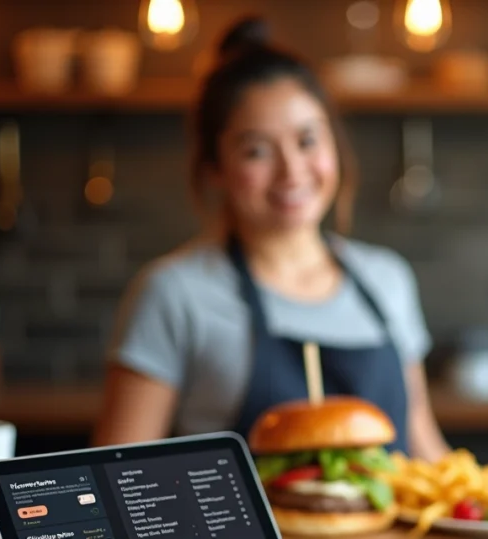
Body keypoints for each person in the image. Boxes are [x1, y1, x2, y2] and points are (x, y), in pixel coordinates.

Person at [91, 16, 450, 462]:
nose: (291, 171)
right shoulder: (173, 292)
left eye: (307, 140)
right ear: (215, 168)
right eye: (256, 150)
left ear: (334, 145)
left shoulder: (386, 279)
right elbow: (119, 475)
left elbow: (424, 447)